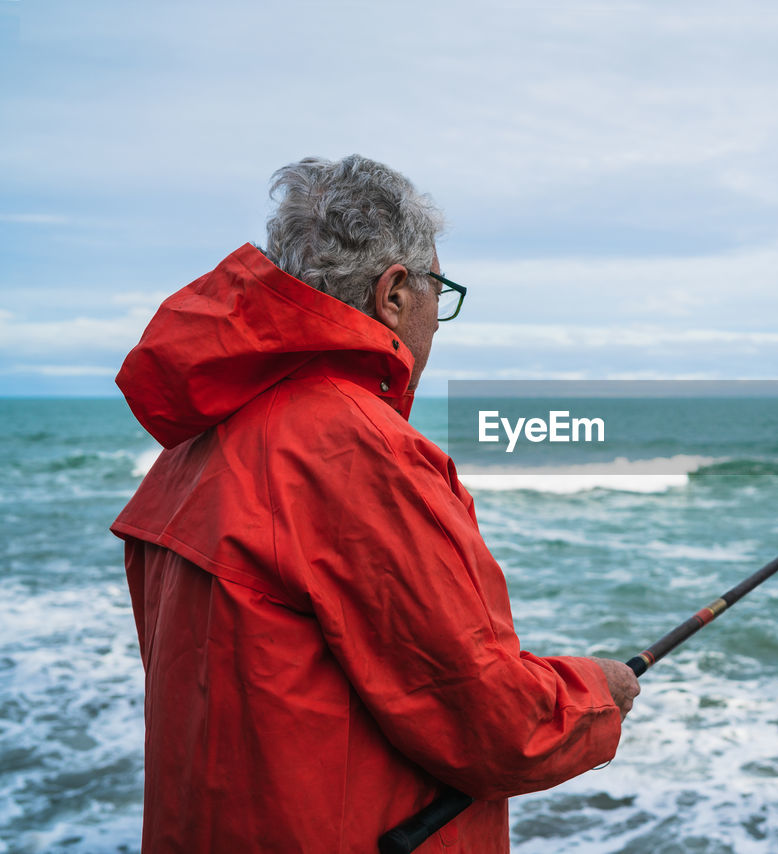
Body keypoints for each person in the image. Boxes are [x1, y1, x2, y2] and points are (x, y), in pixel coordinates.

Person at [111, 155, 640, 853]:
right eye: (437, 292)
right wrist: (599, 689)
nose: (439, 321)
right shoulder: (360, 452)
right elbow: (496, 727)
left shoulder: (193, 449)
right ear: (393, 293)